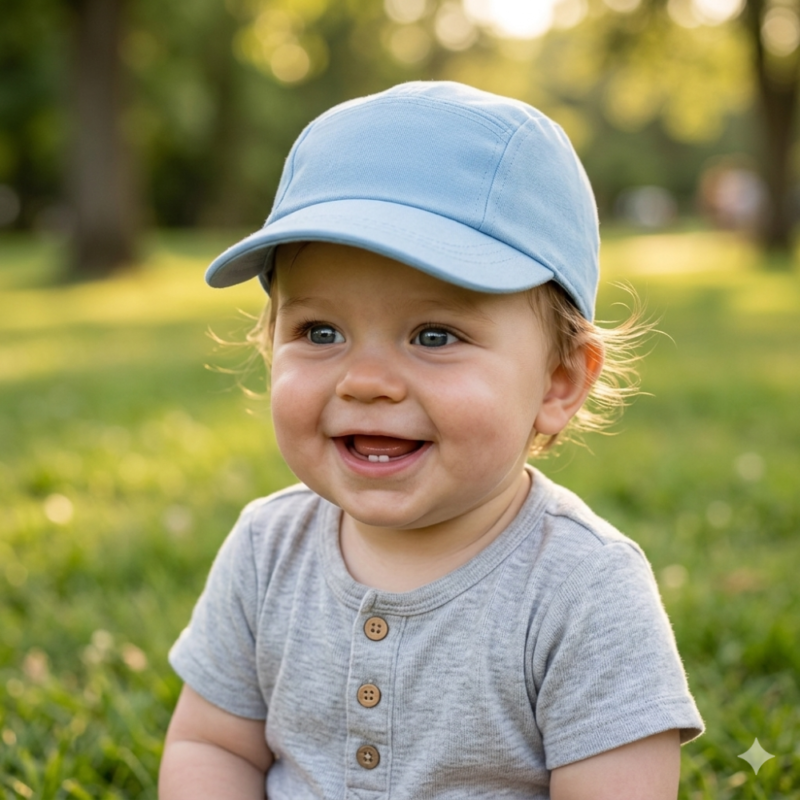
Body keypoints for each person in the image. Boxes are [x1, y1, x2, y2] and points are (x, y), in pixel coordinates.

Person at [159, 81, 703, 800]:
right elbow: (212, 744)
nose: (367, 381)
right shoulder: (266, 550)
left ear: (558, 382)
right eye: (319, 332)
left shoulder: (584, 590)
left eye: (435, 335)